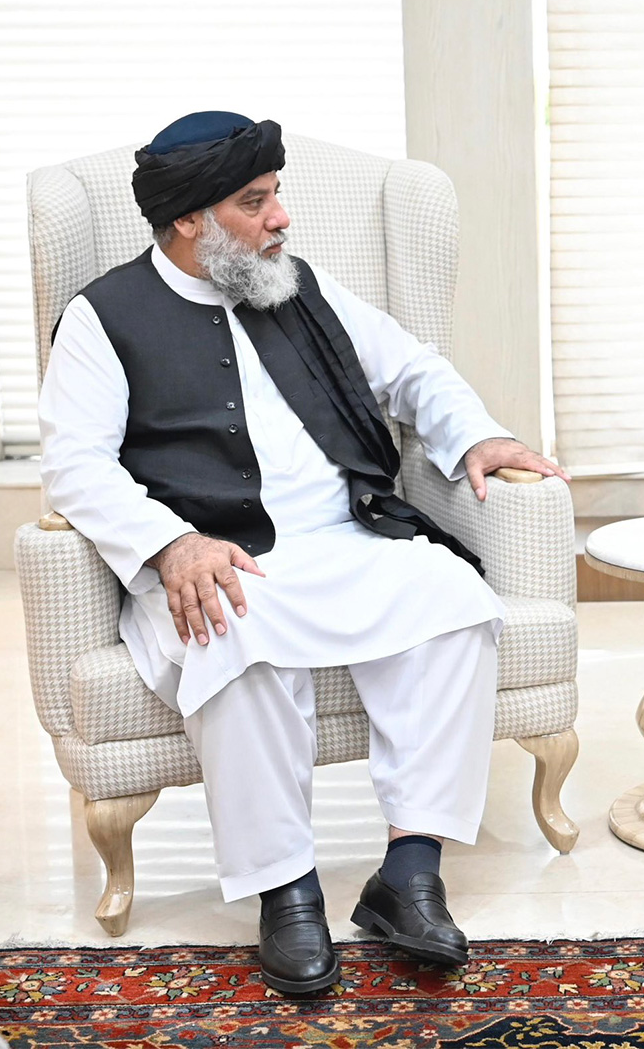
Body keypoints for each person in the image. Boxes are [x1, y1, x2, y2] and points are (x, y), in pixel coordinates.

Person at [38, 111, 568, 995]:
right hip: (216, 555)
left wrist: (476, 436)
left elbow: (412, 369)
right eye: (256, 201)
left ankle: (410, 873)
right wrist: (170, 545)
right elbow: (75, 465)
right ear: (187, 222)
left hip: (346, 537)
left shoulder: (297, 286)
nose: (280, 216)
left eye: (277, 193)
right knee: (232, 632)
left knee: (455, 598)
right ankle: (285, 892)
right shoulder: (103, 318)